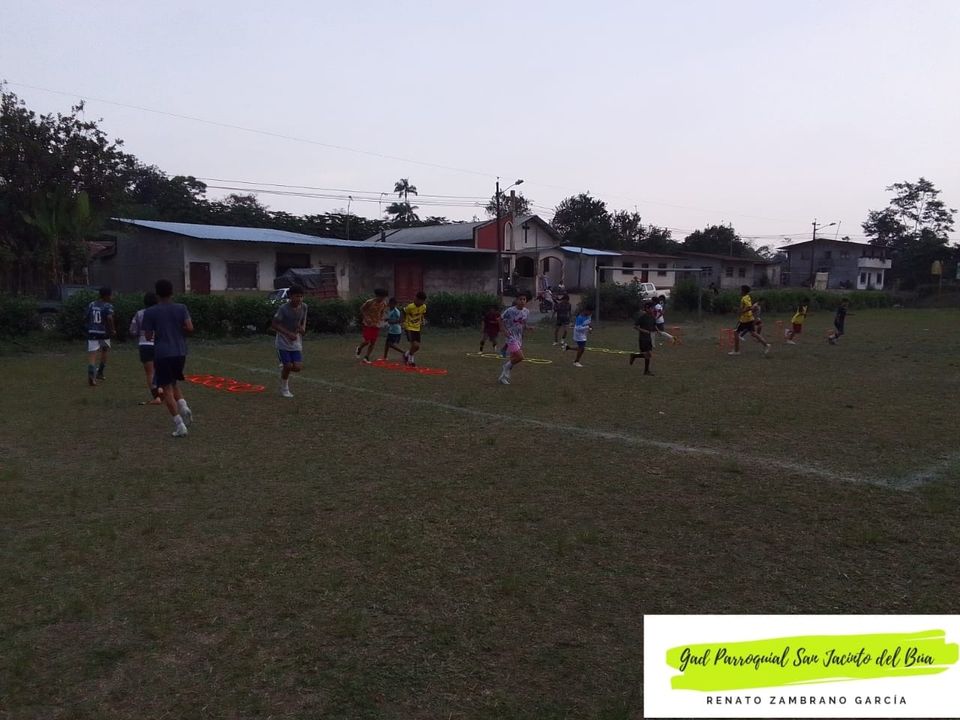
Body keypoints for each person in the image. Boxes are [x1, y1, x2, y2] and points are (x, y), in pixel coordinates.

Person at [142, 279, 194, 438]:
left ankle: (179, 425)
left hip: (162, 353)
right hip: (180, 352)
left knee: (166, 388)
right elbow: (190, 328)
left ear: (157, 294)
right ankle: (183, 406)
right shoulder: (181, 308)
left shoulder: (150, 312)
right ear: (172, 292)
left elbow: (148, 336)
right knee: (173, 381)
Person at [272, 285, 307, 398]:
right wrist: (288, 333)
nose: (299, 299)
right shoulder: (283, 308)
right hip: (283, 341)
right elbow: (274, 324)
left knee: (297, 367)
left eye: (301, 296)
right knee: (288, 366)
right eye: (297, 296)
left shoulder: (304, 307)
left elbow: (303, 321)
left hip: (296, 341)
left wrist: (302, 329)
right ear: (290, 296)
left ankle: (284, 367)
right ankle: (284, 389)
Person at [129, 291, 162, 404]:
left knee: (150, 372)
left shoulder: (139, 313)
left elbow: (133, 330)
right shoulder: (161, 313)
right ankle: (162, 389)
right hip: (160, 344)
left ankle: (156, 397)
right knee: (161, 369)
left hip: (145, 344)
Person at [84, 286, 115, 386]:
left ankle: (91, 376)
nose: (112, 297)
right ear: (107, 296)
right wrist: (112, 329)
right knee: (104, 350)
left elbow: (86, 316)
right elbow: (109, 318)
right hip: (104, 332)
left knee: (92, 355)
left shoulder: (92, 304)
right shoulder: (108, 306)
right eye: (111, 295)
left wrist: (88, 326)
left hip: (92, 331)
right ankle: (100, 372)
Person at [498, 293, 531, 385]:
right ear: (516, 300)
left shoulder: (526, 311)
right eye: (520, 299)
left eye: (524, 299)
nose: (522, 301)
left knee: (513, 358)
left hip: (519, 337)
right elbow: (499, 319)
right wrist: (503, 330)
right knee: (520, 357)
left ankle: (503, 378)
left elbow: (523, 323)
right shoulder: (510, 310)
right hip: (510, 337)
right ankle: (505, 367)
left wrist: (528, 327)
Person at [729, 285, 771, 356]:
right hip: (749, 318)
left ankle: (736, 351)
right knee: (753, 333)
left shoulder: (744, 298)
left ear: (743, 291)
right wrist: (741, 310)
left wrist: (741, 312)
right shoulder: (748, 296)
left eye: (740, 290)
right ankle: (766, 345)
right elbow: (748, 307)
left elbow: (749, 307)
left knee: (736, 333)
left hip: (745, 319)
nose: (740, 291)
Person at [356, 288, 388, 364]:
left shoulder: (384, 303)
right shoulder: (370, 302)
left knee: (373, 342)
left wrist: (381, 318)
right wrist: (366, 318)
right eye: (381, 297)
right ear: (377, 296)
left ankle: (366, 357)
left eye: (384, 297)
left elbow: (382, 312)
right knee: (367, 341)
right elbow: (362, 309)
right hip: (368, 324)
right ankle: (359, 348)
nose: (382, 299)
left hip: (376, 324)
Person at [630, 301, 657, 375]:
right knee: (647, 354)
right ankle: (646, 371)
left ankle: (634, 356)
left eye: (653, 308)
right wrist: (644, 331)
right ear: (647, 309)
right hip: (643, 339)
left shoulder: (653, 317)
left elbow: (654, 325)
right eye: (651, 308)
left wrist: (658, 331)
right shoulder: (642, 317)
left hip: (650, 338)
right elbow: (635, 326)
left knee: (648, 354)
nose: (653, 310)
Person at [402, 291, 428, 367]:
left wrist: (423, 320)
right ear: (416, 299)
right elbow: (404, 312)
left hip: (417, 328)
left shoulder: (423, 307)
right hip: (409, 327)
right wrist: (402, 322)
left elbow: (422, 314)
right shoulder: (410, 307)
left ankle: (406, 354)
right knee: (414, 345)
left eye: (422, 301)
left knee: (417, 347)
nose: (420, 302)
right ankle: (411, 360)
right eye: (419, 300)